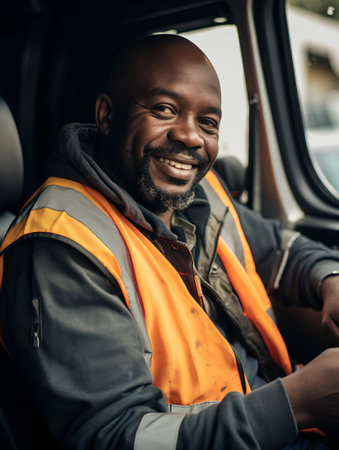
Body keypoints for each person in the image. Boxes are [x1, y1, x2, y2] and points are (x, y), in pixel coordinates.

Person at [1, 34, 339, 450]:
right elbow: (117, 436)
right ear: (107, 116)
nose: (191, 137)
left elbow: (278, 248)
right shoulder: (62, 245)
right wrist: (297, 403)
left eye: (208, 123)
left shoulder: (198, 192)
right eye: (165, 109)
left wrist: (330, 279)